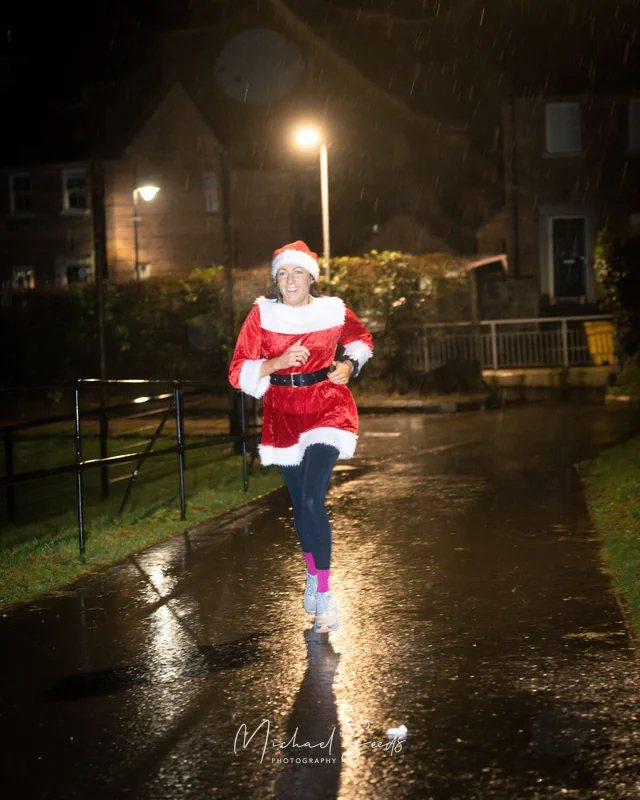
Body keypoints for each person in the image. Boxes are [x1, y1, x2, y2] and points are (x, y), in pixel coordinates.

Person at [228, 241, 373, 633]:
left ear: (312, 276)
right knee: (299, 505)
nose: (291, 280)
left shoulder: (333, 310)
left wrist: (348, 363)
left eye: (299, 272)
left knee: (312, 497)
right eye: (283, 273)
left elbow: (362, 340)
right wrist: (275, 362)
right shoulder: (262, 314)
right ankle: (312, 572)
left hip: (328, 406)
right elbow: (237, 370)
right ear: (276, 279)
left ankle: (324, 595)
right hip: (283, 414)